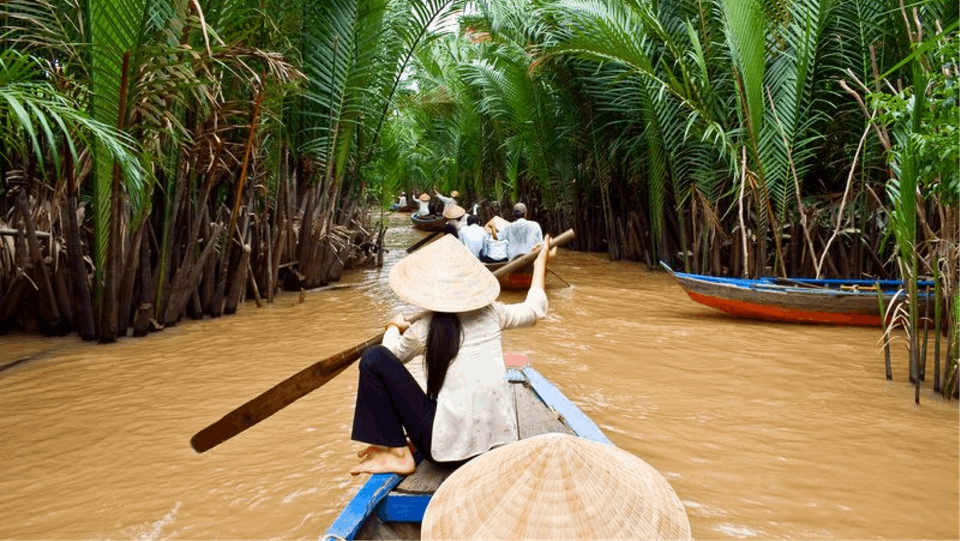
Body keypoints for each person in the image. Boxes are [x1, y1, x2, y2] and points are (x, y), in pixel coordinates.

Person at [349, 234, 553, 475]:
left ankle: (400, 453)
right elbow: (535, 309)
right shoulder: (492, 314)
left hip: (446, 456)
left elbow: (389, 355)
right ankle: (412, 444)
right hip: (499, 445)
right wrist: (541, 263)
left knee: (373, 359)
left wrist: (393, 327)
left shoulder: (424, 328)